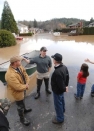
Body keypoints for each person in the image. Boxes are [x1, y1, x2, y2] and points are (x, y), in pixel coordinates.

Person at [5, 56, 32, 126]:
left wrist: (27, 83)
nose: (21, 61)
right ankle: (22, 119)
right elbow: (17, 87)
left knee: (23, 100)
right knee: (20, 106)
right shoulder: (10, 75)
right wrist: (26, 86)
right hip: (18, 92)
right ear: (15, 63)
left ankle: (25, 109)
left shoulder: (19, 66)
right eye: (19, 61)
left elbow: (25, 74)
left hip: (24, 87)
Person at [51, 53, 69, 124]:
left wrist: (64, 88)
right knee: (61, 100)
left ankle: (60, 119)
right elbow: (67, 76)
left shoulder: (57, 72)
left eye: (53, 59)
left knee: (58, 104)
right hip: (61, 90)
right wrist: (66, 86)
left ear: (55, 61)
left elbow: (60, 84)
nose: (53, 60)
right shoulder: (64, 67)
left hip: (57, 91)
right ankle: (63, 110)